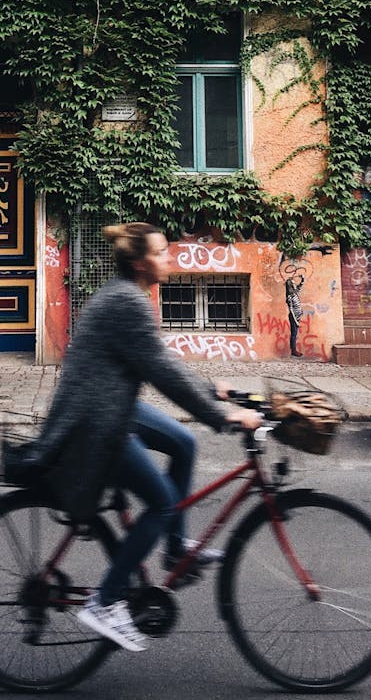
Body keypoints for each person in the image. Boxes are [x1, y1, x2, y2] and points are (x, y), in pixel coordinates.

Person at [34, 222, 262, 653]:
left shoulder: (130, 295)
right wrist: (222, 414)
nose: (169, 258)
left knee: (183, 443)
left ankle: (174, 549)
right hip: (96, 422)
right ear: (141, 263)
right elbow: (161, 371)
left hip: (110, 404)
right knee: (161, 502)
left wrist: (212, 390)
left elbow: (160, 361)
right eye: (161, 253)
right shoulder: (126, 302)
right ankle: (104, 602)